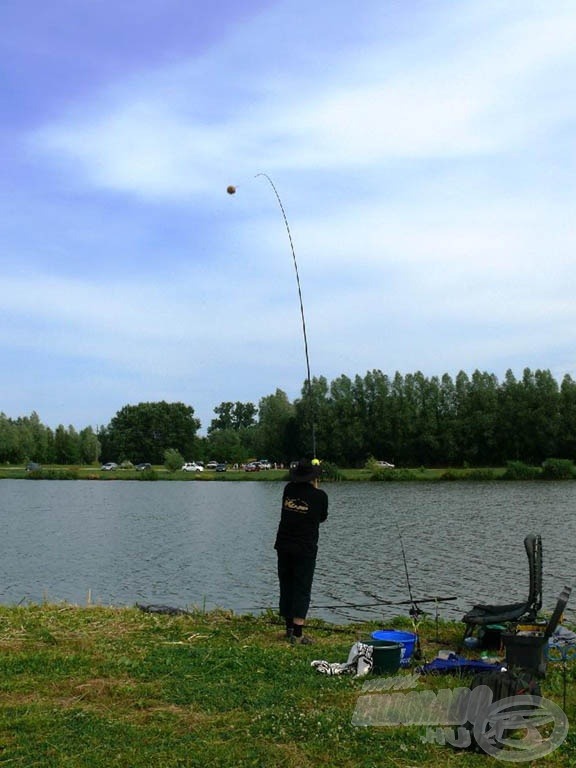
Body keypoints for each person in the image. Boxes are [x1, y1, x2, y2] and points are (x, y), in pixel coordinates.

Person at [274, 457, 328, 644]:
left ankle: (288, 628)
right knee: (302, 587)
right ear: (314, 477)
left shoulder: (288, 490)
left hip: (283, 545)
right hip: (305, 548)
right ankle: (298, 634)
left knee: (287, 584)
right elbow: (322, 517)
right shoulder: (320, 496)